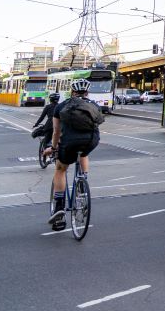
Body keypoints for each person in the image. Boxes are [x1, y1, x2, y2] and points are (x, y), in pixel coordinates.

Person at [45, 79, 102, 231]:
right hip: (91, 141)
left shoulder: (61, 106)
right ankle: (83, 181)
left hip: (69, 142)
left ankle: (58, 208)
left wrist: (53, 147)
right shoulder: (94, 105)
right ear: (87, 92)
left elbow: (56, 131)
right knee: (83, 152)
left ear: (72, 92)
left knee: (60, 169)